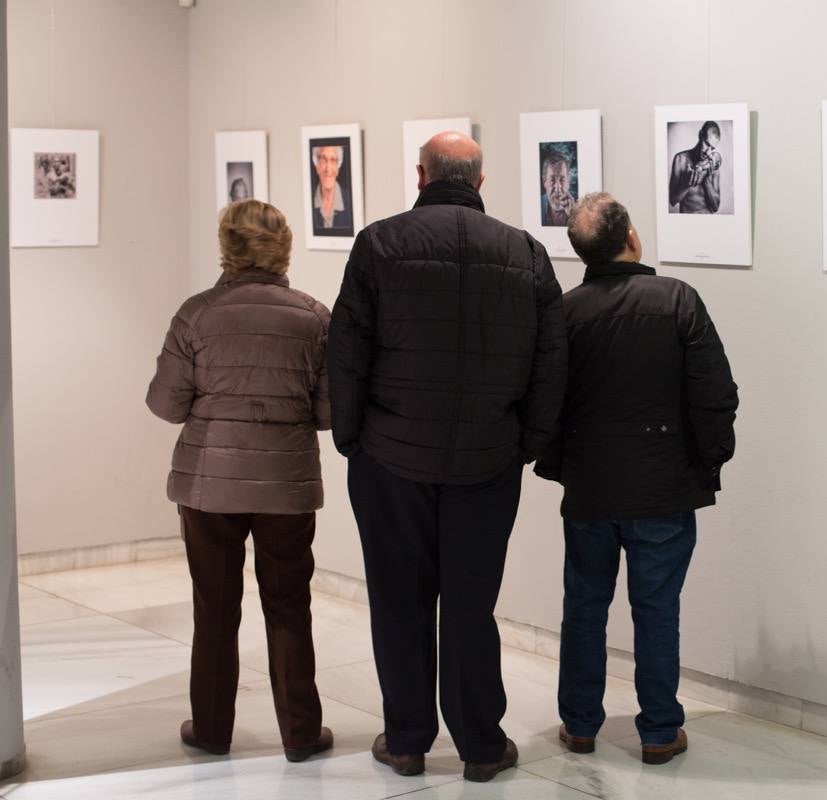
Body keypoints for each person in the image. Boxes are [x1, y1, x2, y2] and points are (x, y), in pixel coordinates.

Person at [328, 131, 567, 782]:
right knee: (470, 604)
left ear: (420, 174)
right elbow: (552, 363)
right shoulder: (525, 253)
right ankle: (482, 745)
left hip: (389, 458)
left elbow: (346, 351)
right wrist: (528, 443)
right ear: (480, 182)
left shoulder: (380, 244)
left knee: (399, 600)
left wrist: (350, 437)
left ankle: (406, 740)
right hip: (487, 462)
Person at [535, 193, 738, 765]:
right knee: (656, 609)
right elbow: (716, 395)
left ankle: (578, 725)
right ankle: (658, 731)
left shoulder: (564, 313)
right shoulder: (678, 300)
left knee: (584, 605)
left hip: (591, 488)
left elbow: (544, 403)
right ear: (632, 240)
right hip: (663, 488)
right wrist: (708, 462)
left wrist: (558, 465)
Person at [145, 200, 333, 763]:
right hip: (286, 483)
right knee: (289, 606)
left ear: (226, 245)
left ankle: (211, 729)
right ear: (284, 247)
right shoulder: (315, 318)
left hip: (210, 484)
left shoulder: (196, 315)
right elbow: (328, 413)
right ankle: (300, 733)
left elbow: (165, 403)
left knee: (215, 608)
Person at [669, 121, 723, 214]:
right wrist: (687, 184)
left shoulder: (712, 164)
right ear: (700, 135)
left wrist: (705, 177)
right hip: (687, 221)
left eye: (712, 148)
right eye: (706, 144)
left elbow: (715, 207)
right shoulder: (680, 159)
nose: (708, 152)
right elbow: (673, 201)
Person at [312, 144, 352, 230]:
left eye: (333, 160)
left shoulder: (350, 200)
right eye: (323, 160)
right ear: (317, 166)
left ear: (338, 166)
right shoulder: (308, 201)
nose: (328, 169)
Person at [540, 149, 575, 226]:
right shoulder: (538, 206)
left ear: (568, 181)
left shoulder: (578, 210)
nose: (558, 189)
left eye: (562, 180)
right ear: (544, 181)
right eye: (552, 180)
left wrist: (573, 217)